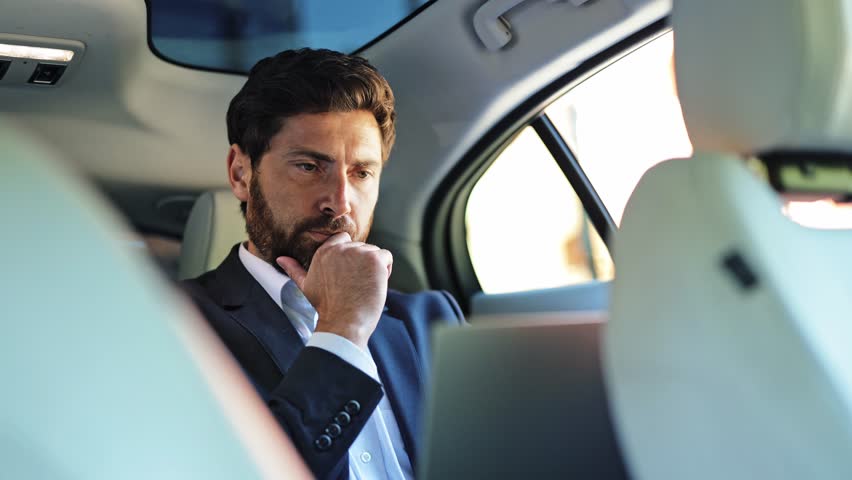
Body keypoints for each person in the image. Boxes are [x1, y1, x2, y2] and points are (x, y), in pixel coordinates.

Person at [182, 48, 464, 480]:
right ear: (241, 173)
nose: (340, 201)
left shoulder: (432, 320)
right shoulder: (175, 324)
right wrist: (343, 331)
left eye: (362, 173)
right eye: (310, 166)